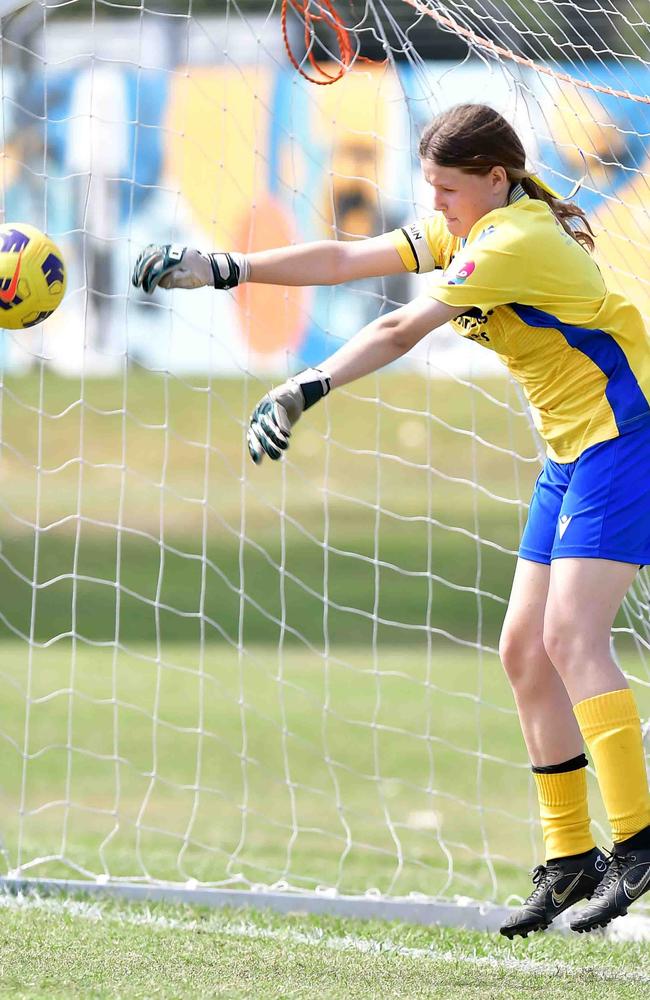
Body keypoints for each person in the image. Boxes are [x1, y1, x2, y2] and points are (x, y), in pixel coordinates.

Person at [132, 102, 650, 938]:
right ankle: (569, 862)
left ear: (494, 178)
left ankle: (639, 843)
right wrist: (226, 267)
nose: (437, 204)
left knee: (572, 638)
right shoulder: (474, 228)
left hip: (625, 436)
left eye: (449, 189)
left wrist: (305, 388)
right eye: (431, 190)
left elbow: (402, 325)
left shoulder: (513, 240)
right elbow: (344, 257)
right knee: (524, 649)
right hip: (573, 448)